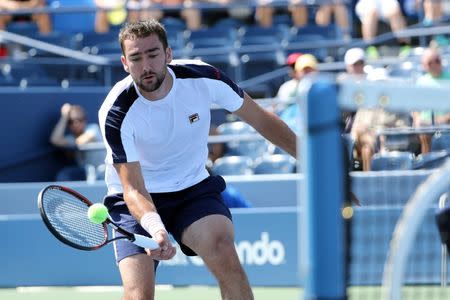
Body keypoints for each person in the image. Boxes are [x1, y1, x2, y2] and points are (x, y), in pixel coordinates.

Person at [98, 20, 296, 300]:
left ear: (168, 54)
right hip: (134, 199)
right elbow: (132, 188)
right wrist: (156, 228)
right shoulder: (116, 111)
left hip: (192, 190)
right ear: (124, 63)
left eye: (153, 54)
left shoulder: (203, 77)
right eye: (136, 58)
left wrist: (322, 170)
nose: (146, 66)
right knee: (138, 295)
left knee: (224, 253)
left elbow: (262, 120)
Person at [50, 103, 102, 181]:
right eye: (71, 121)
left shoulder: (93, 129)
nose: (76, 124)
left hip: (103, 172)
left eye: (80, 120)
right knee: (64, 175)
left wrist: (68, 144)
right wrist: (64, 117)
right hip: (86, 173)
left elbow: (80, 142)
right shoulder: (71, 138)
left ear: (85, 120)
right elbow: (55, 140)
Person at [413, 47, 450, 153]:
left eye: (437, 61)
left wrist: (444, 119)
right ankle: (427, 164)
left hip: (447, 121)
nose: (434, 65)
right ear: (424, 65)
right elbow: (415, 106)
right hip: (426, 123)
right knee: (424, 132)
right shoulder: (421, 81)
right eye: (430, 63)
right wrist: (417, 119)